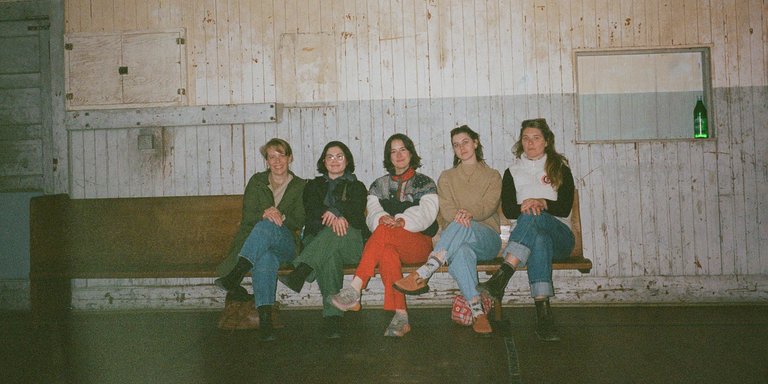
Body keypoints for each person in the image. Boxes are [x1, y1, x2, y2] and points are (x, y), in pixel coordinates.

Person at [394, 125, 502, 335]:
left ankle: (427, 270)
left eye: (465, 142)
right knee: (460, 252)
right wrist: (461, 216)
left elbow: (488, 206)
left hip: (486, 238)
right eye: (456, 145)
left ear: (476, 143)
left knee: (463, 224)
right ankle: (478, 312)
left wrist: (468, 214)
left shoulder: (493, 175)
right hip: (457, 240)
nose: (461, 148)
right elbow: (447, 209)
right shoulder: (447, 177)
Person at [329, 134, 439, 337]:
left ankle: (355, 287)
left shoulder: (425, 182)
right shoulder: (378, 185)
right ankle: (401, 316)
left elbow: (427, 214)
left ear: (411, 153)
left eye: (403, 149)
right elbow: (372, 213)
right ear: (388, 157)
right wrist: (381, 218)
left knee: (385, 232)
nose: (398, 155)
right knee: (387, 252)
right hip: (388, 240)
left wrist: (401, 220)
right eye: (393, 151)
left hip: (418, 244)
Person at [478, 118, 575, 342]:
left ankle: (504, 273)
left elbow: (565, 207)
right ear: (521, 142)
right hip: (534, 240)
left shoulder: (560, 168)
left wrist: (542, 202)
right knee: (538, 238)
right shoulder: (512, 171)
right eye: (526, 138)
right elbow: (511, 211)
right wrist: (526, 205)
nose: (530, 143)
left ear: (547, 141)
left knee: (535, 213)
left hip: (560, 238)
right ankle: (544, 317)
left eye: (536, 138)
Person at [214, 138, 306, 341]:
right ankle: (265, 321)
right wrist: (265, 213)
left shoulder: (300, 185)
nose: (277, 161)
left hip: (286, 244)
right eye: (271, 156)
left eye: (281, 155)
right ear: (267, 161)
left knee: (268, 225)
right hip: (260, 245)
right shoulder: (257, 181)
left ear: (290, 158)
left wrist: (279, 217)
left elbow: (300, 218)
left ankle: (236, 274)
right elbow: (248, 215)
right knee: (265, 257)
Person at [278, 141, 369, 339]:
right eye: (329, 156)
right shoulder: (312, 186)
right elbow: (311, 211)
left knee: (337, 232)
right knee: (329, 254)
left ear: (347, 160)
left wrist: (339, 213)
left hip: (351, 244)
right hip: (321, 243)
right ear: (323, 161)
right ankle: (333, 318)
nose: (334, 160)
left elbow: (356, 212)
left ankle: (302, 271)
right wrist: (331, 217)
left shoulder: (358, 186)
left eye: (339, 156)